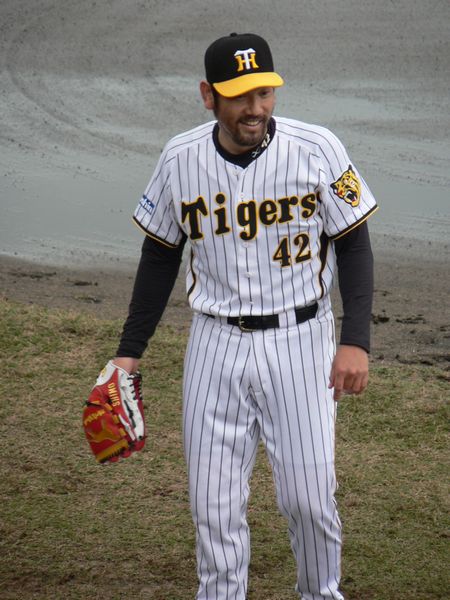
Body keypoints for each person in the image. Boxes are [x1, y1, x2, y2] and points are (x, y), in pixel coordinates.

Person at [112, 32, 377, 600]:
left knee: (309, 500)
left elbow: (354, 243)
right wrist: (128, 353)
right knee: (213, 508)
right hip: (214, 345)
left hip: (301, 340)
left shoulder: (318, 148)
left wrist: (355, 339)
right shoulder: (179, 159)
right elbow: (159, 256)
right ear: (208, 95)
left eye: (264, 93)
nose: (255, 108)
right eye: (239, 96)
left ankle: (321, 593)